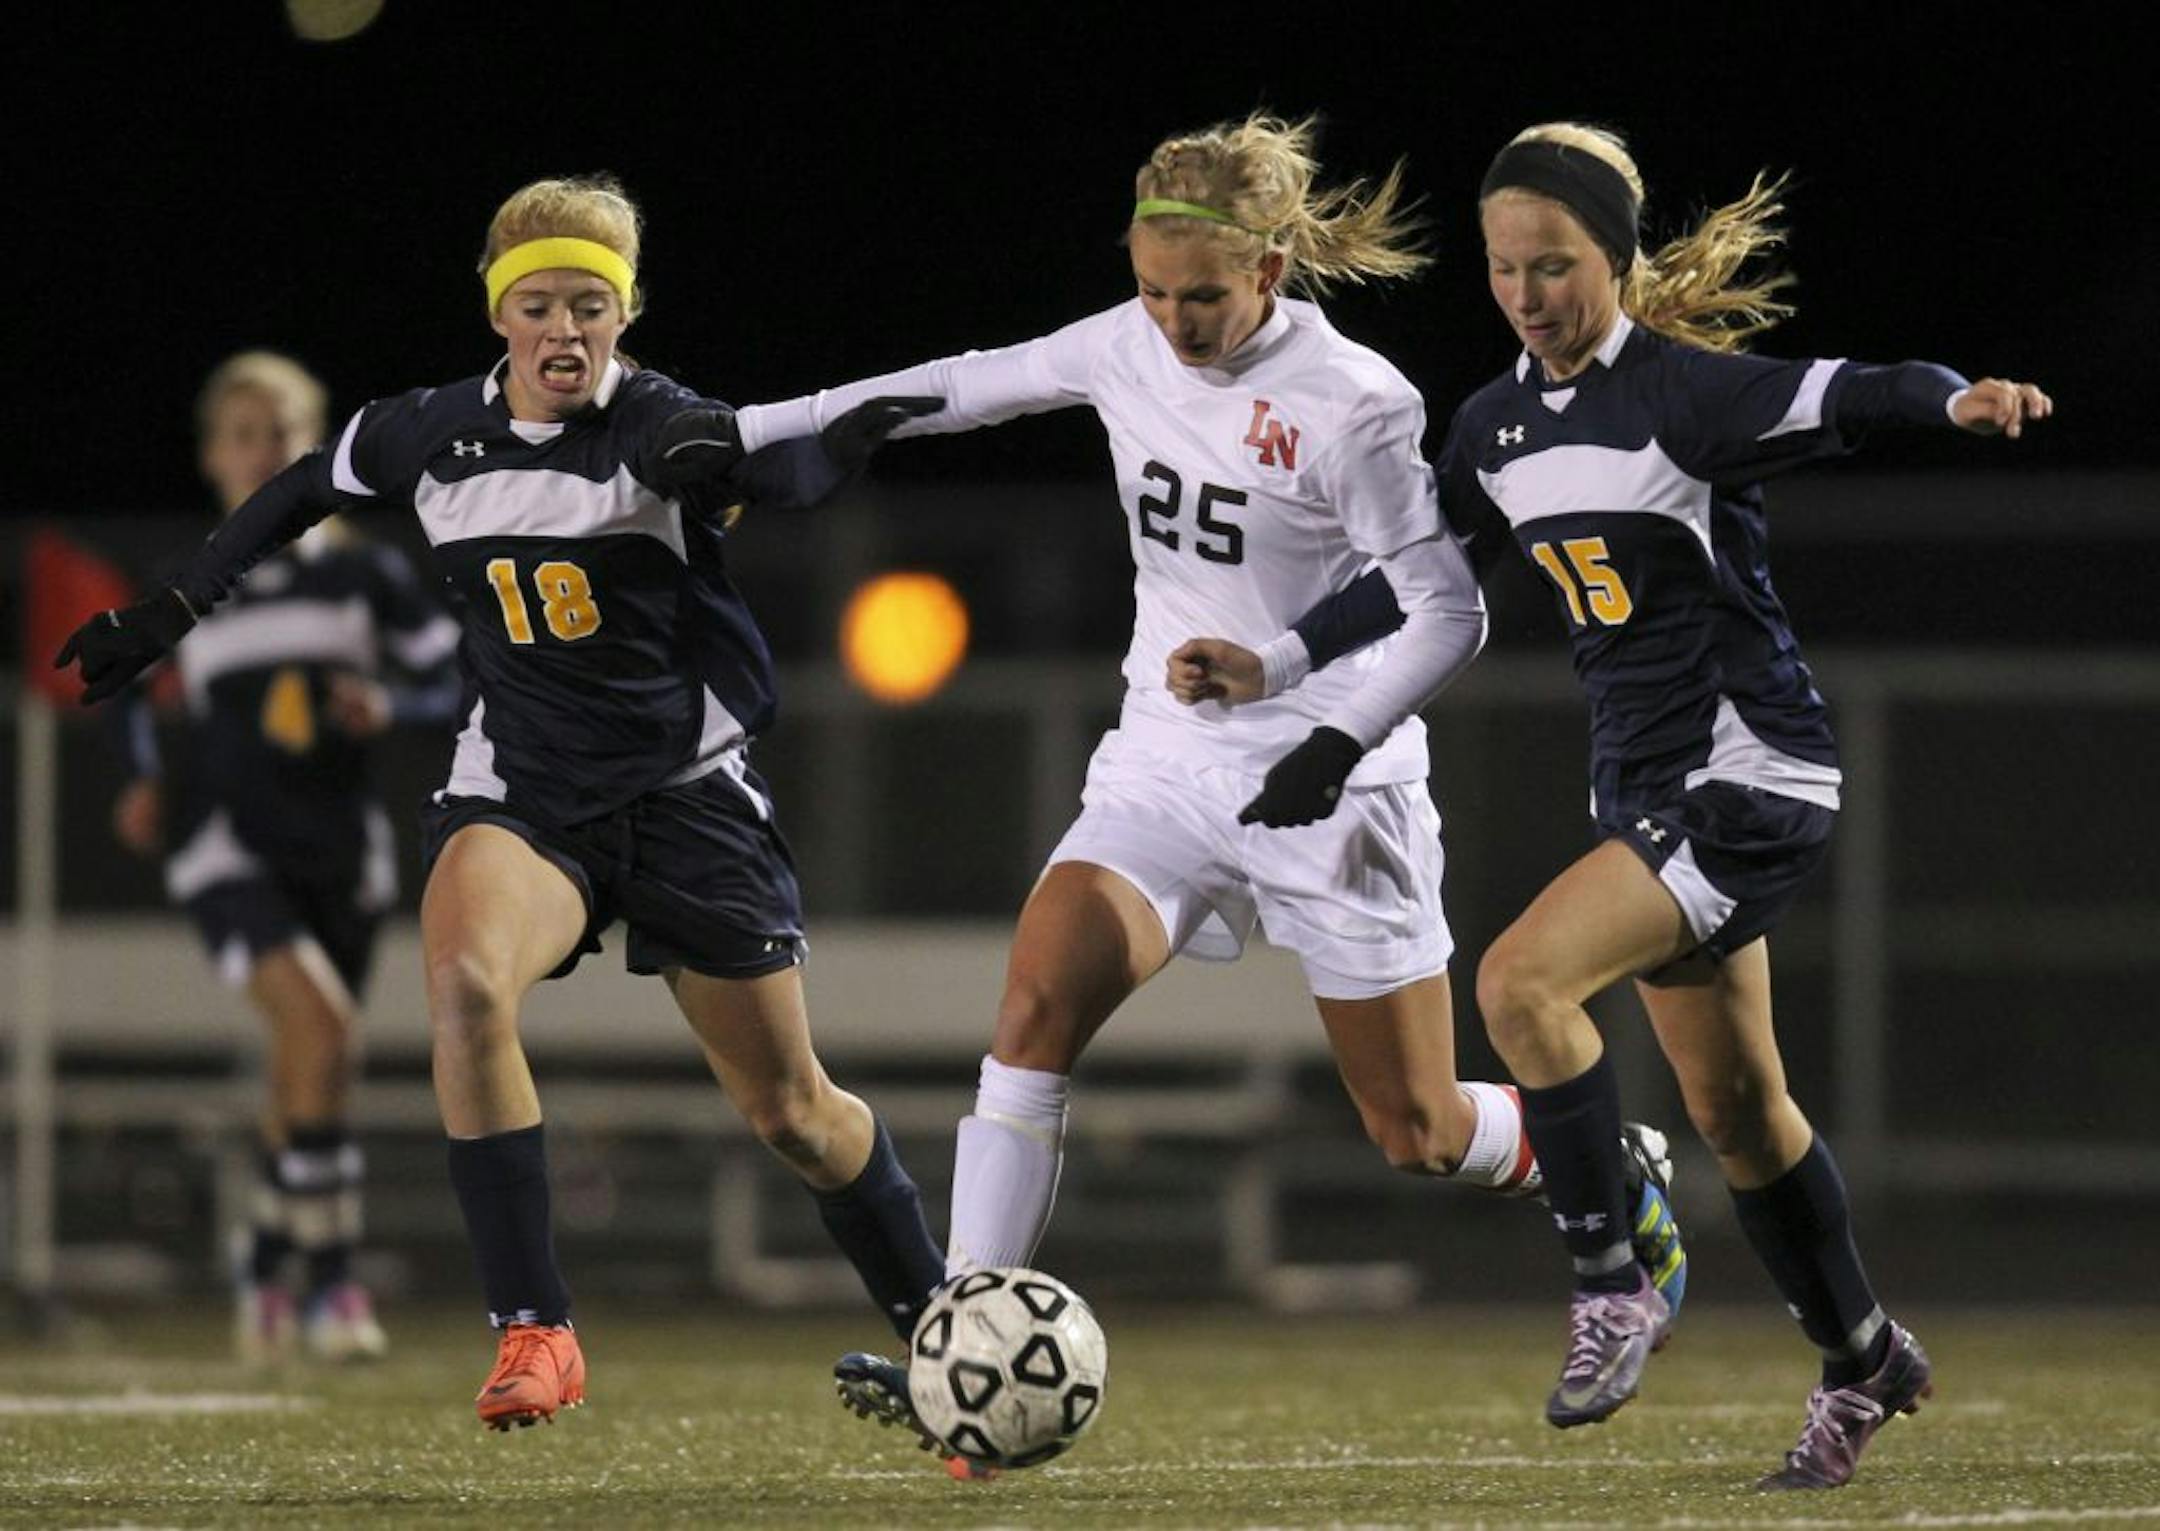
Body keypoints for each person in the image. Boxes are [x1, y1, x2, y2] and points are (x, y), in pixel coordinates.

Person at [715, 113, 1686, 1457]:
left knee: (1412, 1123)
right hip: (1168, 763)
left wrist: (1328, 734)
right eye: (1154, 288)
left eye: (1204, 296)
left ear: (1276, 270)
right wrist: (733, 435)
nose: (1171, 320)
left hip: (1341, 785)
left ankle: (1590, 1156)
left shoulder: (1357, 401)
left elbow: (1443, 609)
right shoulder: (1126, 339)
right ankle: (963, 1329)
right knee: (1037, 999)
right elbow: (957, 381)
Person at [1166, 121, 2051, 1489]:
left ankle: (1612, 1277)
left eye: (1558, 265)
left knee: (1521, 981)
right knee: (1743, 1111)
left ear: (1621, 261)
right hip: (1650, 793)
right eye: (1505, 267)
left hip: (1750, 777)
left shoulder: (1687, 399)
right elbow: (1412, 574)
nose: (1528, 292)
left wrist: (1958, 402)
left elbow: (1857, 390)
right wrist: (1273, 659)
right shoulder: (1495, 425)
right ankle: (1866, 1352)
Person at [55, 173, 951, 1431]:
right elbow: (306, 483)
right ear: (500, 315)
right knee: (468, 987)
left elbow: (743, 462)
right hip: (524, 787)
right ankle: (536, 1330)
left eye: (593, 303)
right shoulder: (432, 434)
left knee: (796, 1115)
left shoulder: (656, 420)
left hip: (687, 795)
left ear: (626, 312)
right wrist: (175, 608)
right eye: (539, 305)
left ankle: (949, 1332)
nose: (565, 329)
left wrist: (804, 463)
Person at [109, 350, 459, 1364]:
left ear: (312, 447)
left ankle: (262, 1260)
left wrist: (389, 705)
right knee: (320, 1026)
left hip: (340, 851)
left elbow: (455, 683)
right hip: (225, 847)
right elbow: (131, 694)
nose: (262, 449)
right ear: (216, 455)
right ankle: (332, 1286)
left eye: (281, 431)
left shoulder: (366, 575)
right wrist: (140, 774)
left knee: (312, 1066)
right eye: (243, 432)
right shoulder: (195, 582)